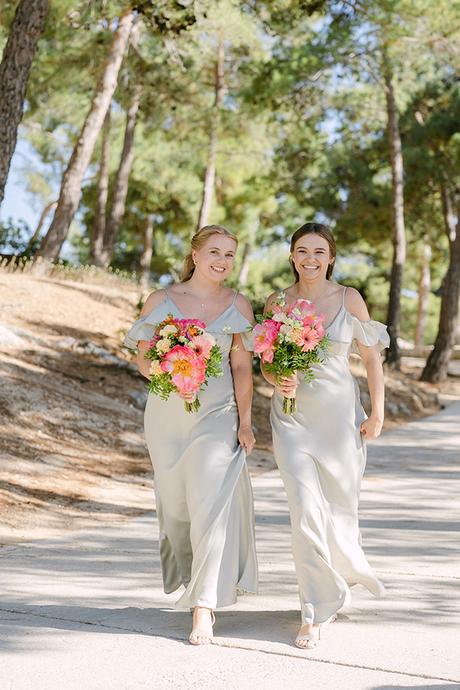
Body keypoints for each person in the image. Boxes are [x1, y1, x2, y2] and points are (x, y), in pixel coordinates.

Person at [124, 225, 258, 645]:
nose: (222, 261)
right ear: (196, 253)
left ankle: (204, 606)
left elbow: (241, 368)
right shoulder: (162, 301)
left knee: (211, 503)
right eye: (215, 251)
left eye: (230, 255)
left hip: (218, 415)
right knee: (179, 507)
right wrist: (171, 368)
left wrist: (246, 421)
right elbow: (145, 361)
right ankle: (191, 579)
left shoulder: (239, 304)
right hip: (168, 416)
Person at [261, 222, 389, 649]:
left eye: (319, 251)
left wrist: (377, 411)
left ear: (331, 257)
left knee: (338, 510)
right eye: (302, 250)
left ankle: (335, 580)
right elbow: (265, 359)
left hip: (339, 420)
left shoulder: (349, 298)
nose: (310, 259)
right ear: (292, 255)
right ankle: (313, 610)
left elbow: (371, 360)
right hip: (292, 418)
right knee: (305, 510)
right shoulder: (277, 302)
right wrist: (278, 377)